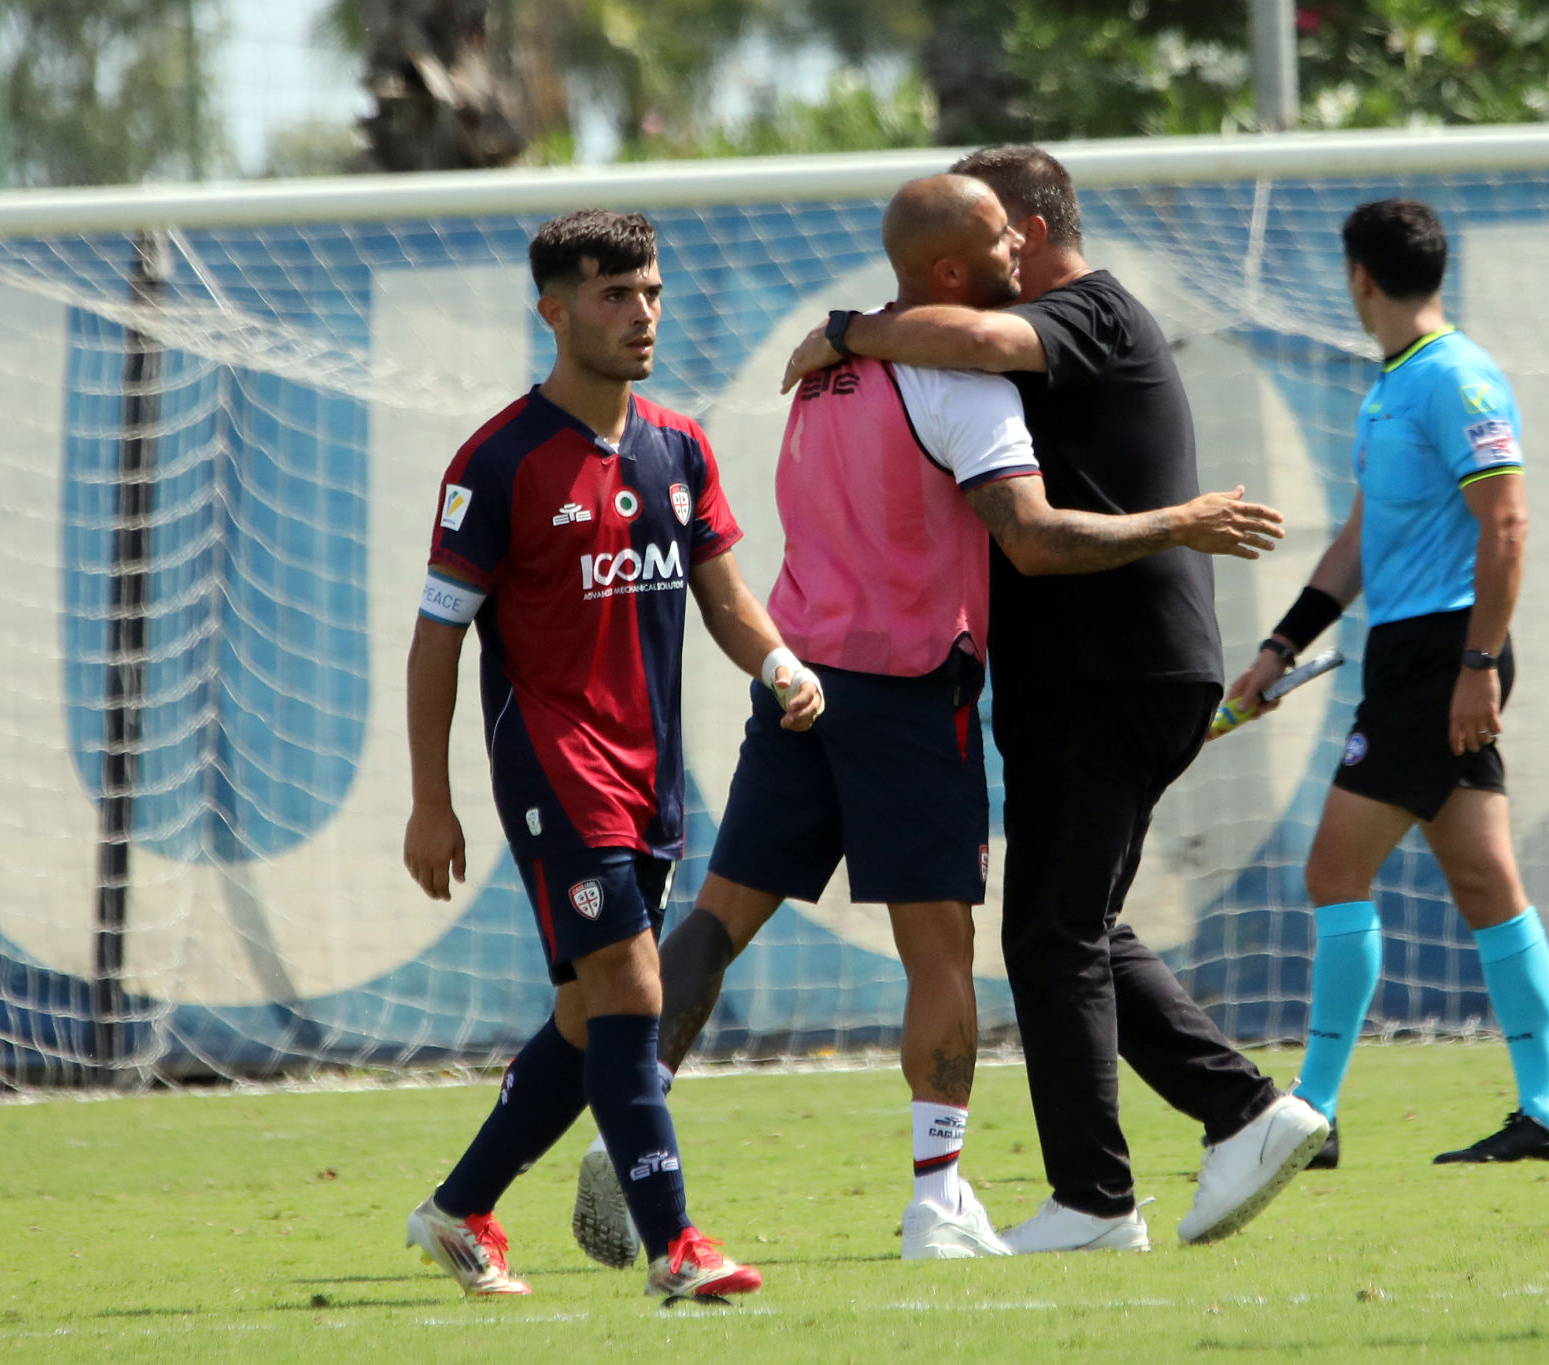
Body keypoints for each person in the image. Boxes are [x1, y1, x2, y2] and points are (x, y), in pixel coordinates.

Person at [569, 174, 1287, 1265]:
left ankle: (635, 1125)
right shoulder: (963, 383)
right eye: (998, 241)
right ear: (952, 271)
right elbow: (1031, 538)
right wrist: (1183, 521)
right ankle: (938, 1199)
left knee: (717, 920)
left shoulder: (818, 379)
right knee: (942, 952)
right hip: (911, 691)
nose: (1019, 252)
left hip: (801, 682)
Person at [772, 145, 1330, 1253]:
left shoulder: (1091, 311)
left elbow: (975, 340)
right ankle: (1242, 1115)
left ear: (1023, 226)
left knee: (1050, 933)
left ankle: (1098, 1197)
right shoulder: (1052, 331)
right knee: (1069, 925)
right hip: (1105, 669)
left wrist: (848, 328)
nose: (997, 253)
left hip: (1106, 665)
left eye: (996, 230)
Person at [400, 208, 823, 1302]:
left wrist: (778, 664)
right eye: (612, 296)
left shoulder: (676, 445)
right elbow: (436, 637)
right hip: (553, 765)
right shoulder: (495, 463)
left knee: (590, 1015)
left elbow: (725, 599)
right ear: (553, 311)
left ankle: (458, 1211)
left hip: (649, 776)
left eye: (650, 294)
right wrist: (428, 803)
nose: (640, 316)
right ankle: (675, 1249)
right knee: (634, 990)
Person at [1224, 198, 1549, 1166]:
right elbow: (1358, 540)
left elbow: (1505, 524)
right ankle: (1545, 1115)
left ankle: (1311, 1115)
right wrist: (1280, 646)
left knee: (1332, 871)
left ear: (1359, 278)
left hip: (1439, 659)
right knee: (1483, 881)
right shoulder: (1391, 388)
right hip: (1416, 655)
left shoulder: (1456, 379)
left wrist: (1475, 665)